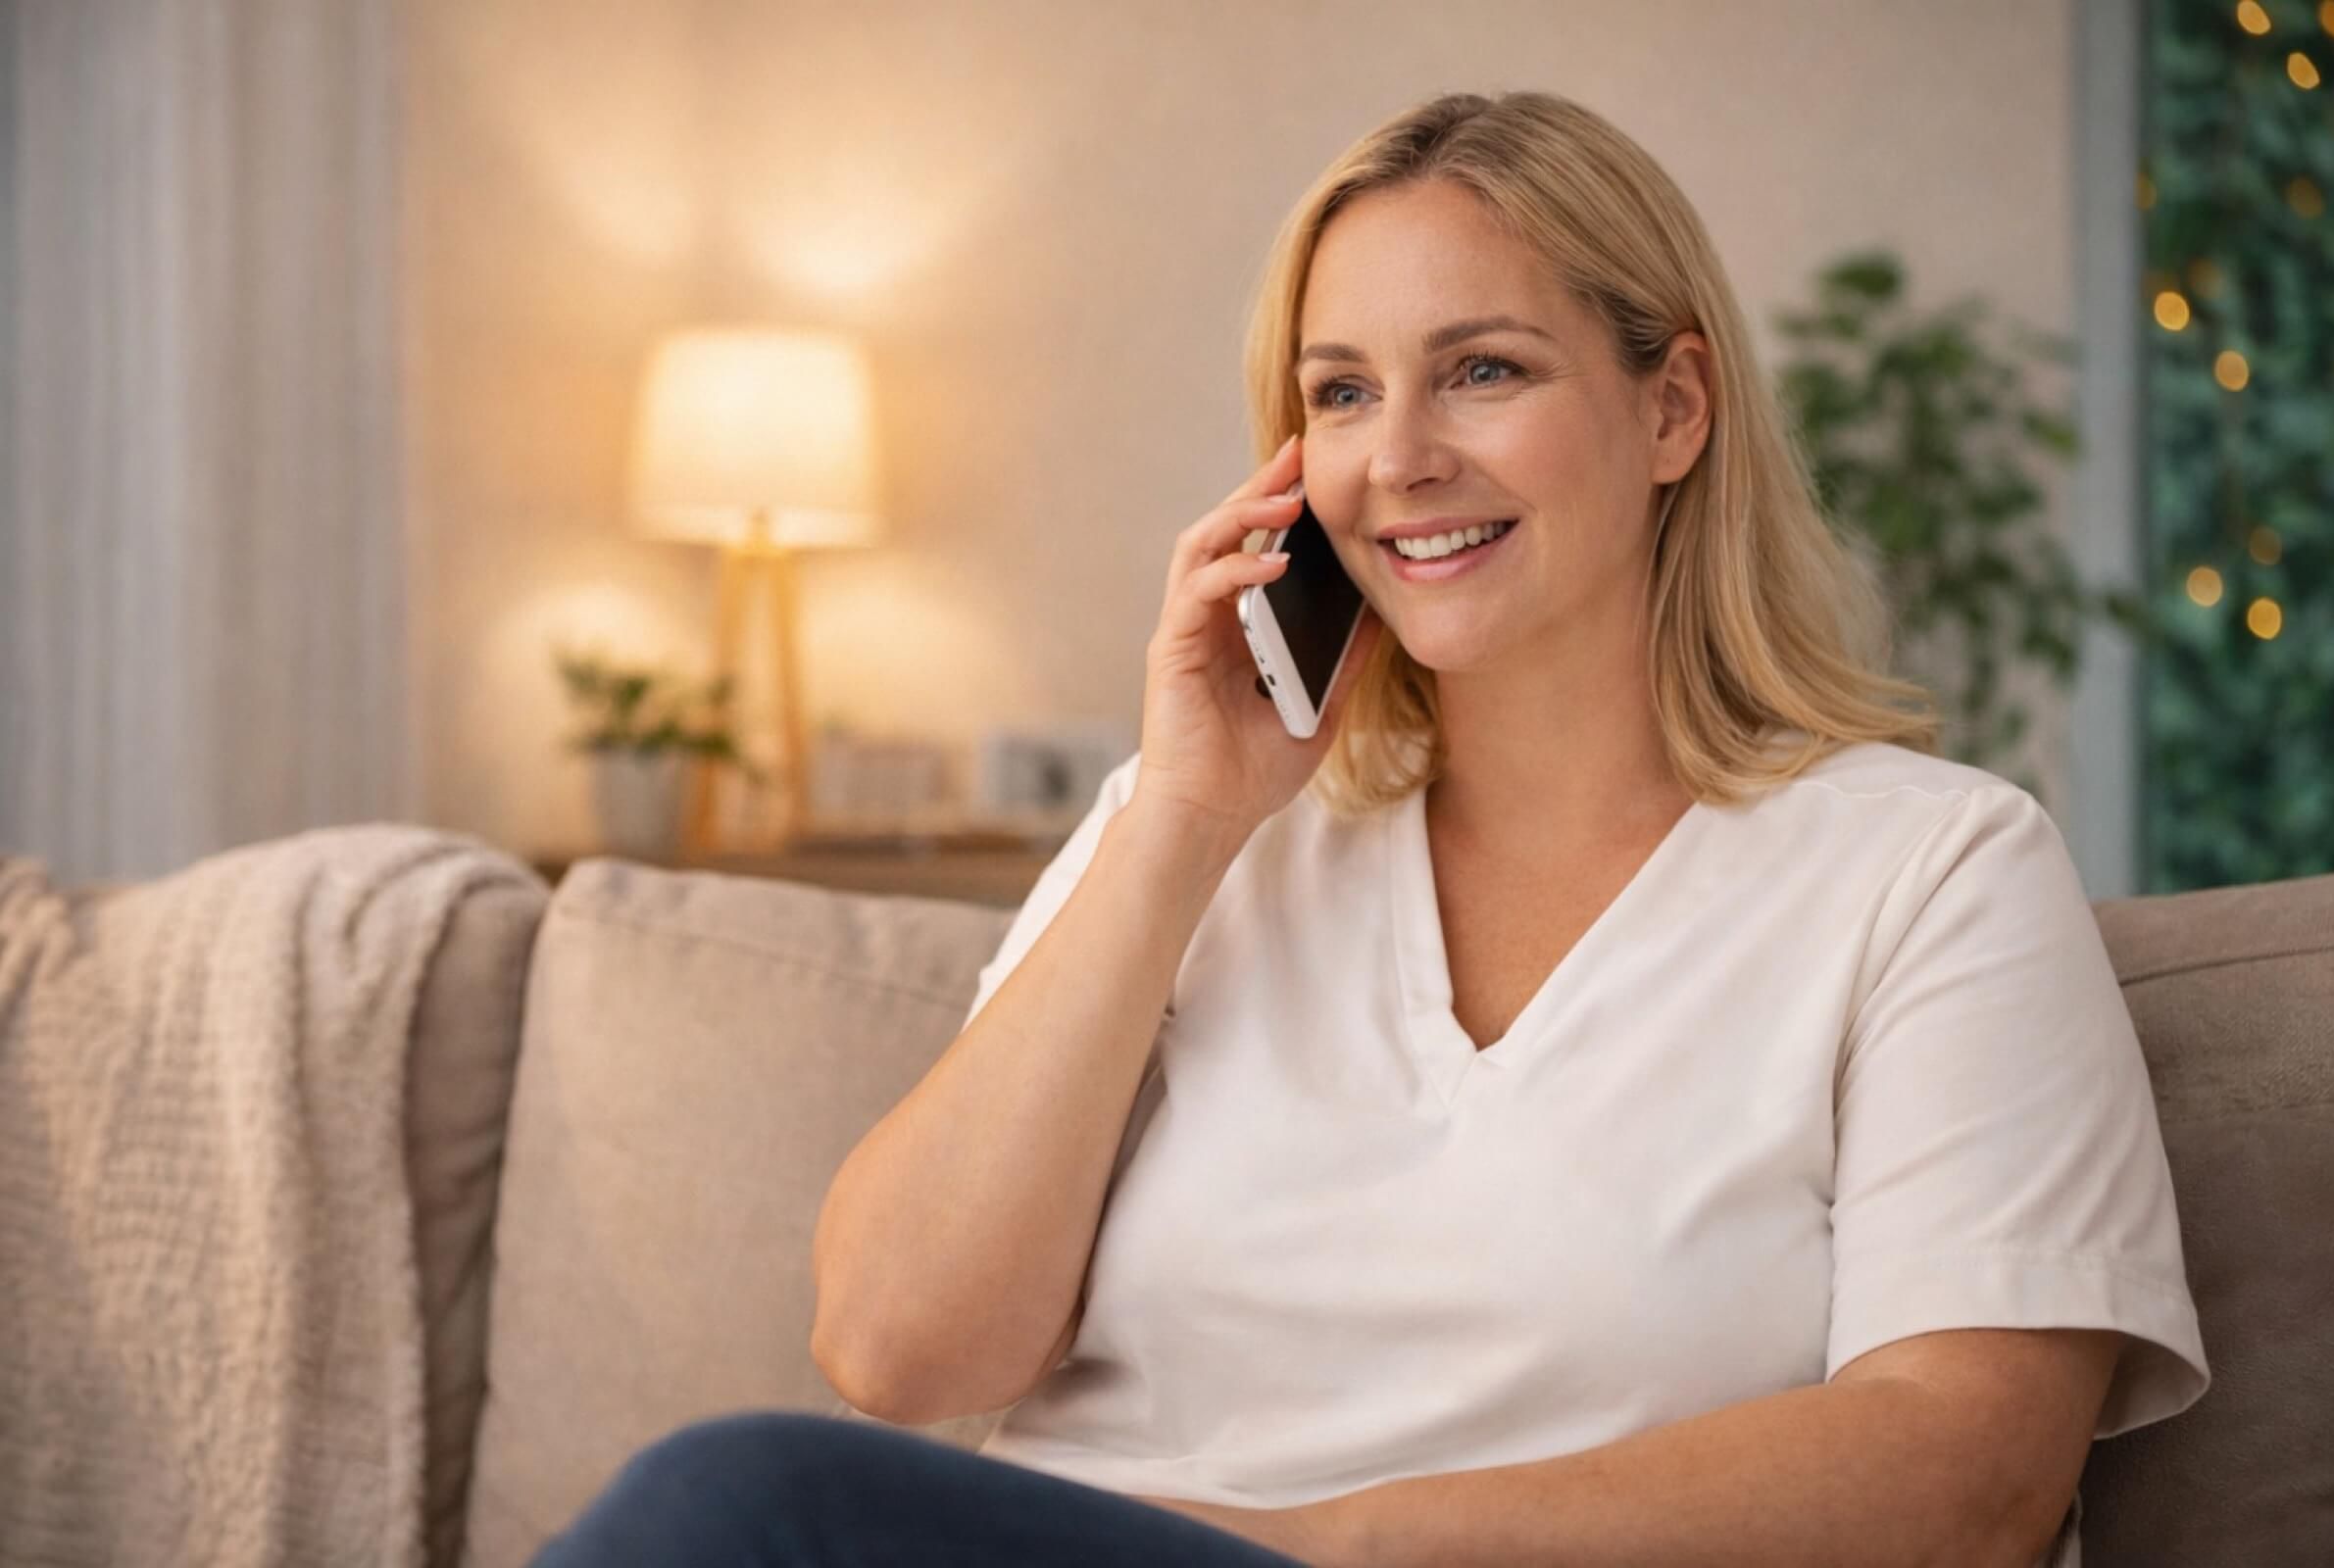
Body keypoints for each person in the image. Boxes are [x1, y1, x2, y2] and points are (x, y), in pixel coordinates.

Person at [534, 88, 2209, 1568]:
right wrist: (1185, 817)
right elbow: (896, 1348)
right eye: (1339, 394)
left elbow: (1966, 1475)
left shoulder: (1932, 872)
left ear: (1674, 411)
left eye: (1481, 370)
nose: (1398, 459)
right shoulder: (1194, 835)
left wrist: (1337, 1545)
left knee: (743, 1511)